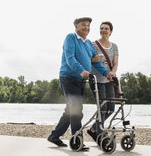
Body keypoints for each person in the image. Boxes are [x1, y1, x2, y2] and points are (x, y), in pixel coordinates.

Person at [47, 17, 110, 151]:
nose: (86, 27)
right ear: (76, 26)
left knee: (70, 110)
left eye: (88, 25)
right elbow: (70, 58)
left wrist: (106, 73)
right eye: (83, 25)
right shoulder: (70, 38)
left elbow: (96, 62)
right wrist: (81, 70)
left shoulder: (88, 44)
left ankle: (54, 136)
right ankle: (77, 139)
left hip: (81, 81)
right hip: (68, 78)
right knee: (76, 109)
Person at [87, 21, 119, 141]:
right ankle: (100, 133)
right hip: (96, 81)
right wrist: (105, 73)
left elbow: (115, 64)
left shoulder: (114, 46)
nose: (103, 30)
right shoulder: (93, 44)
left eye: (106, 28)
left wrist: (112, 72)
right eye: (101, 28)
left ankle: (93, 129)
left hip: (109, 80)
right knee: (103, 109)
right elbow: (93, 62)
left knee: (111, 108)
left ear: (110, 31)